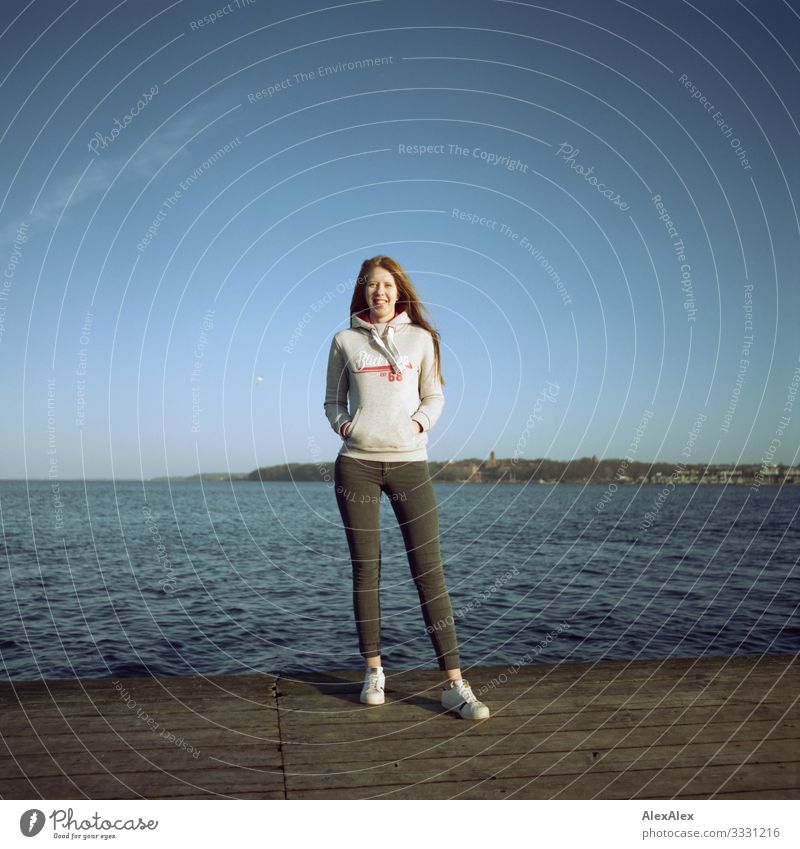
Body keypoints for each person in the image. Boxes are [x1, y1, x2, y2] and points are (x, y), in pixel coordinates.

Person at [324, 255, 490, 720]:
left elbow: (435, 394)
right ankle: (374, 672)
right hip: (356, 465)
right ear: (363, 292)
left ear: (399, 292)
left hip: (409, 466)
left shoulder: (422, 339)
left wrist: (418, 423)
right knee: (367, 570)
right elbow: (332, 399)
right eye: (372, 285)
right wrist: (345, 426)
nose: (380, 292)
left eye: (388, 285)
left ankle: (454, 685)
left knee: (429, 572)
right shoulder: (344, 341)